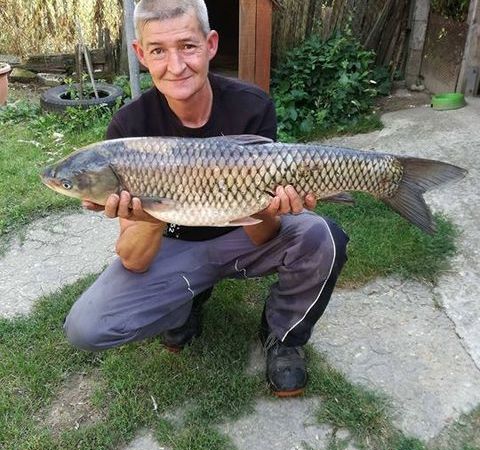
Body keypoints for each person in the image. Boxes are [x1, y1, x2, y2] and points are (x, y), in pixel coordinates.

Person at [63, 0, 349, 397]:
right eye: (158, 50)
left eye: (188, 46)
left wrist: (269, 207)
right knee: (86, 327)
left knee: (322, 236)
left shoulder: (251, 106)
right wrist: (148, 213)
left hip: (241, 236)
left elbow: (264, 234)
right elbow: (134, 259)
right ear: (141, 54)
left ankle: (283, 336)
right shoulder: (129, 128)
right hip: (174, 244)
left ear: (211, 44)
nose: (176, 65)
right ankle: (185, 300)